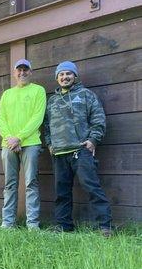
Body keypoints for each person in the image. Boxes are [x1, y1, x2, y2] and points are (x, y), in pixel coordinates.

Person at [44, 61, 112, 236]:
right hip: (59, 153)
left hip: (81, 151)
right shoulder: (51, 101)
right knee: (62, 192)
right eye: (61, 74)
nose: (65, 77)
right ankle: (63, 226)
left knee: (92, 187)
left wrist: (93, 140)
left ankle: (105, 226)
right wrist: (50, 143)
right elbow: (46, 126)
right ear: (57, 78)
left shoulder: (86, 95)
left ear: (75, 76)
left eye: (68, 74)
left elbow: (98, 119)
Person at [0, 59, 47, 229]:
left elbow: (37, 118)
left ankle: (32, 224)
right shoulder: (7, 94)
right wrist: (10, 139)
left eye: (26, 70)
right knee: (9, 184)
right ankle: (7, 223)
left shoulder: (38, 91)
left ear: (30, 72)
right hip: (8, 145)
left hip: (31, 143)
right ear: (14, 73)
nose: (22, 73)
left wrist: (19, 138)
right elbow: (1, 120)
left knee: (31, 183)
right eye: (19, 70)